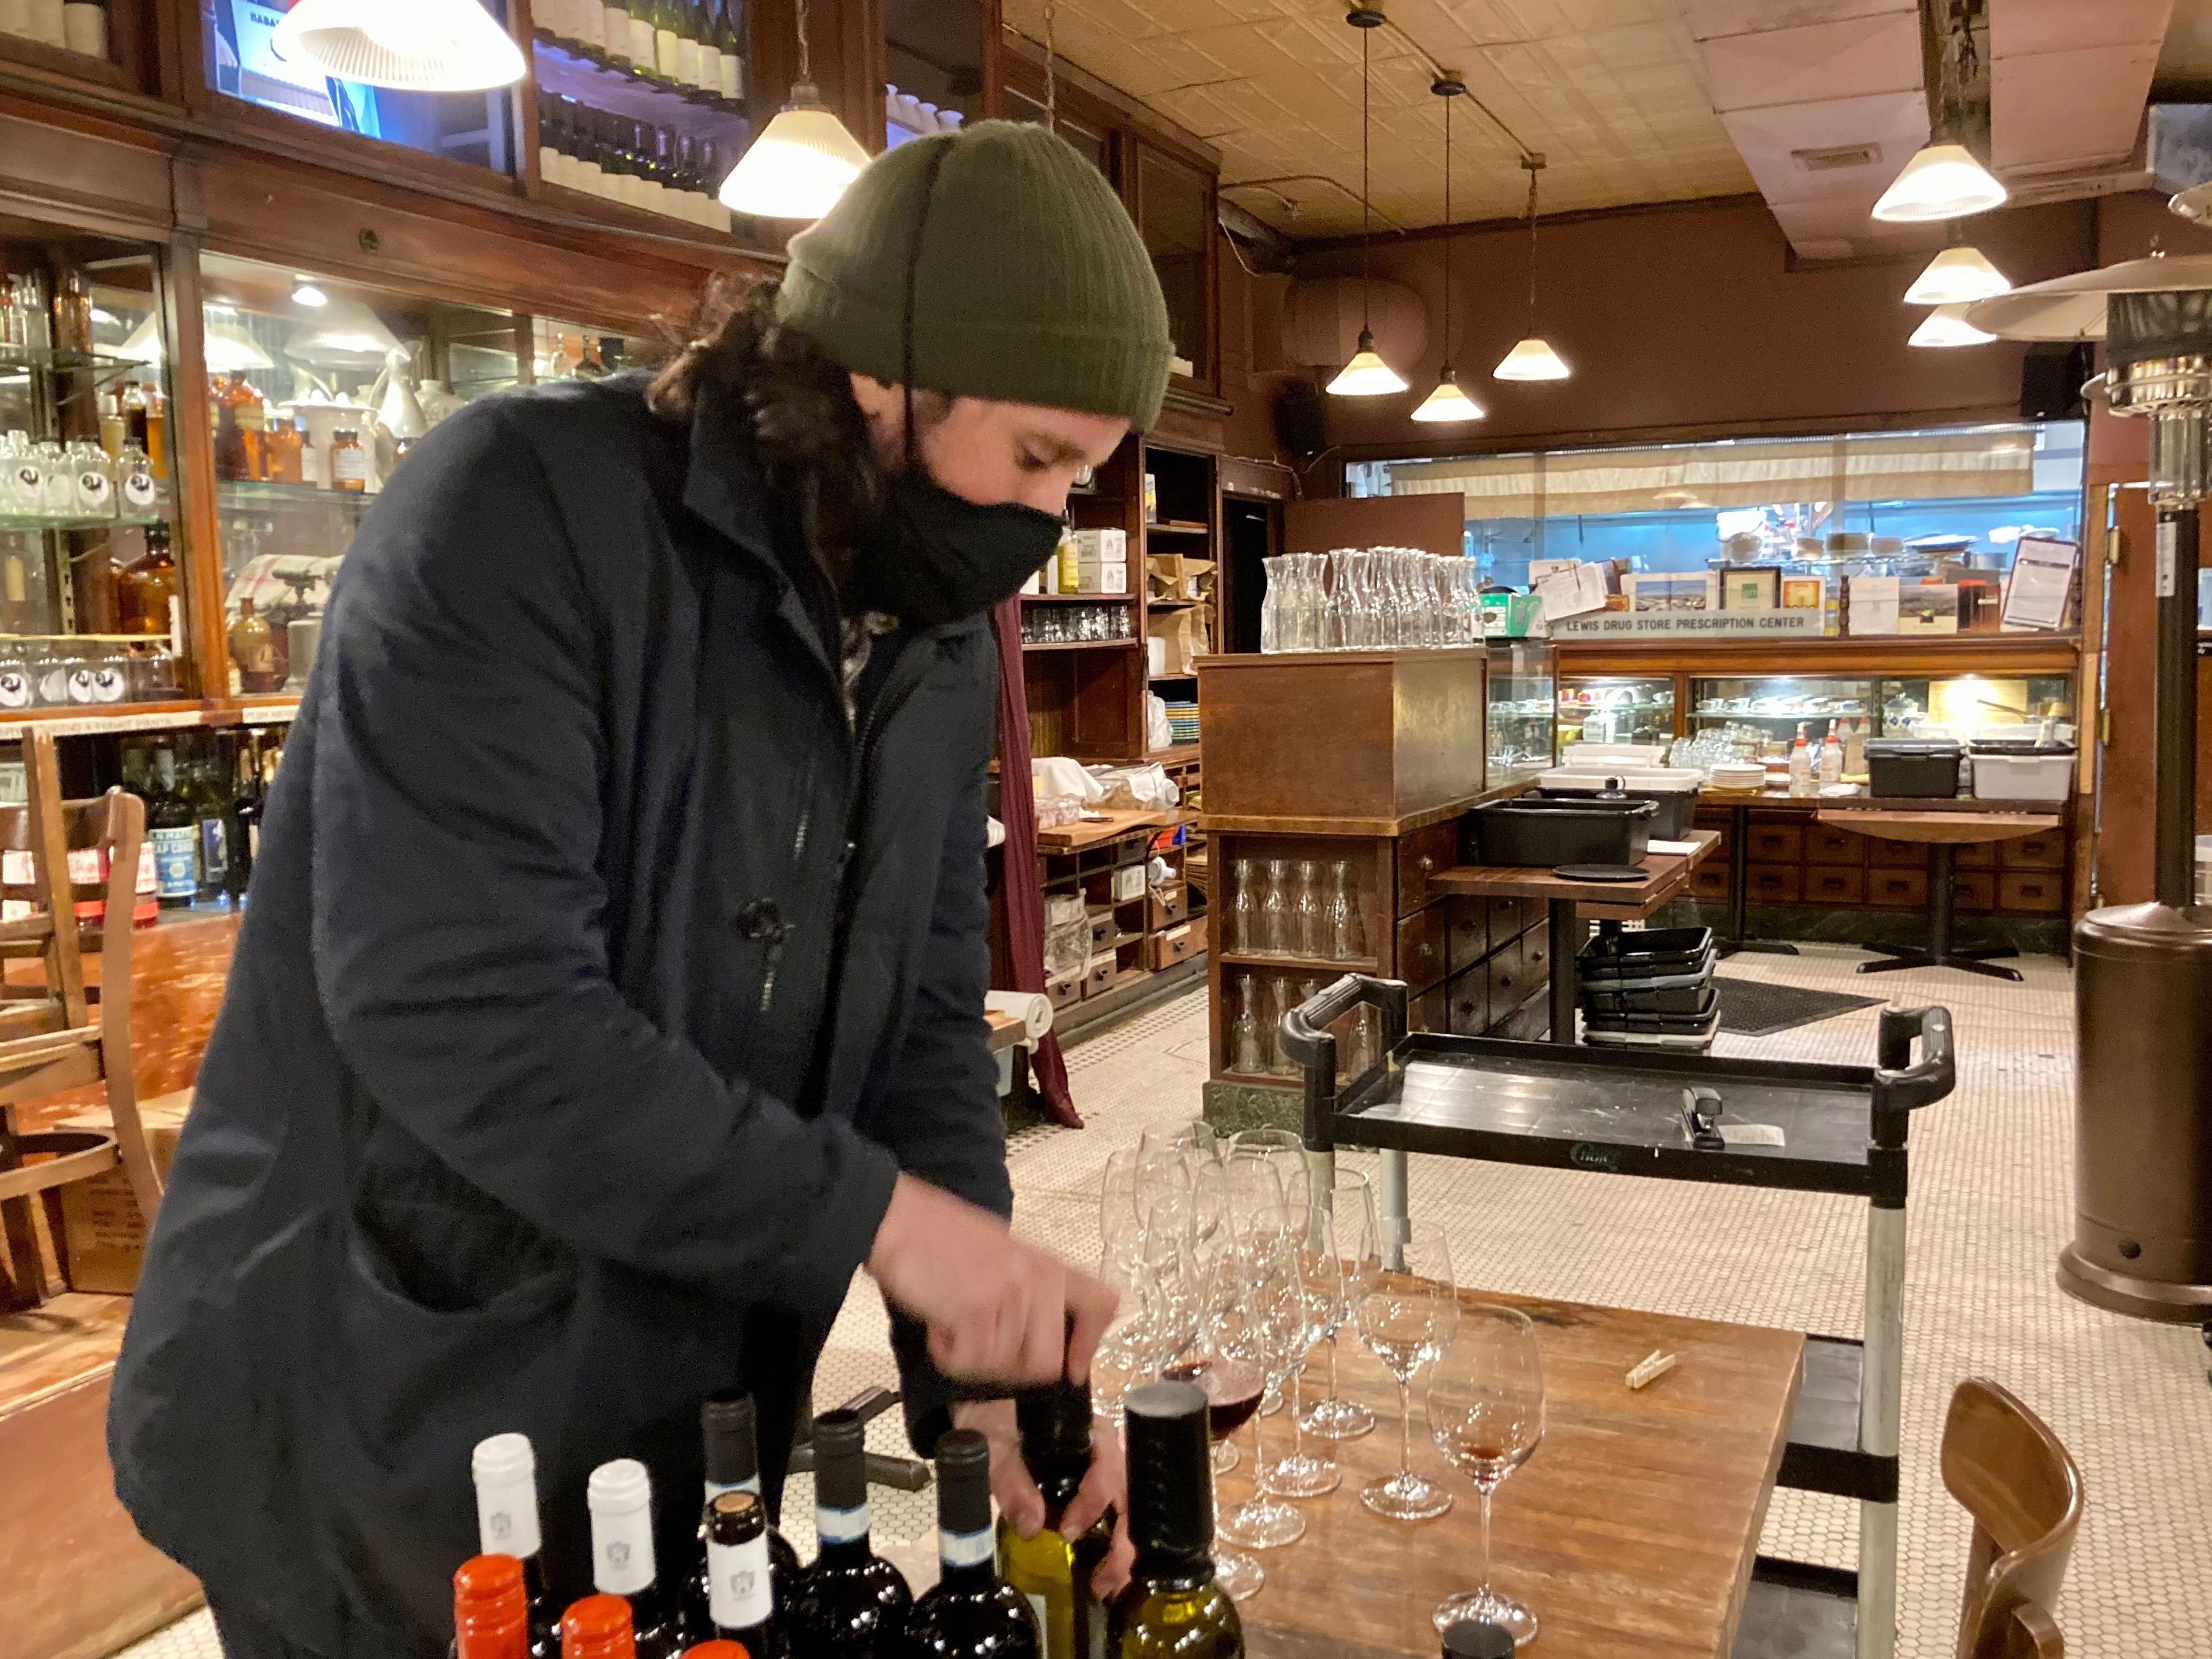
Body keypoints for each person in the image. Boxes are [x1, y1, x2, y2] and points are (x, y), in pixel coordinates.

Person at [108, 121, 1173, 1658]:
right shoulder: (516, 512)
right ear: (880, 375)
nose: (1050, 525)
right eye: (1038, 459)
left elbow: (929, 1043)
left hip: (674, 1408)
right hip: (382, 1406)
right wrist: (885, 1224)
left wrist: (983, 1389)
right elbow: (468, 1012)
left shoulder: (934, 637)